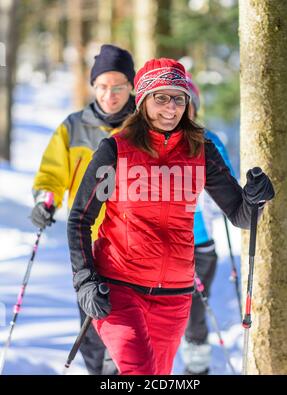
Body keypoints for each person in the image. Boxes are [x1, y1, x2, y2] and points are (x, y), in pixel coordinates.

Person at [67, 58, 275, 375]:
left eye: (178, 98)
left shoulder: (201, 150)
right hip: (119, 288)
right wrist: (84, 282)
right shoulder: (116, 150)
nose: (170, 107)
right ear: (143, 101)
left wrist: (254, 196)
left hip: (175, 298)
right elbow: (80, 219)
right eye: (161, 97)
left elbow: (240, 215)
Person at [30, 44, 135, 375]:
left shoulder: (143, 127)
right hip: (87, 241)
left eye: (118, 86)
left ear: (131, 86)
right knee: (90, 323)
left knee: (126, 331)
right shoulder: (73, 127)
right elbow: (52, 173)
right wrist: (46, 200)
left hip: (131, 242)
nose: (110, 94)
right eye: (103, 86)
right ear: (93, 86)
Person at [181, 73, 236, 375]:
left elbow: (227, 186)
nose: (179, 108)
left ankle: (196, 368)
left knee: (195, 310)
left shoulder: (210, 141)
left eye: (186, 102)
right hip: (159, 247)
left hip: (200, 244)